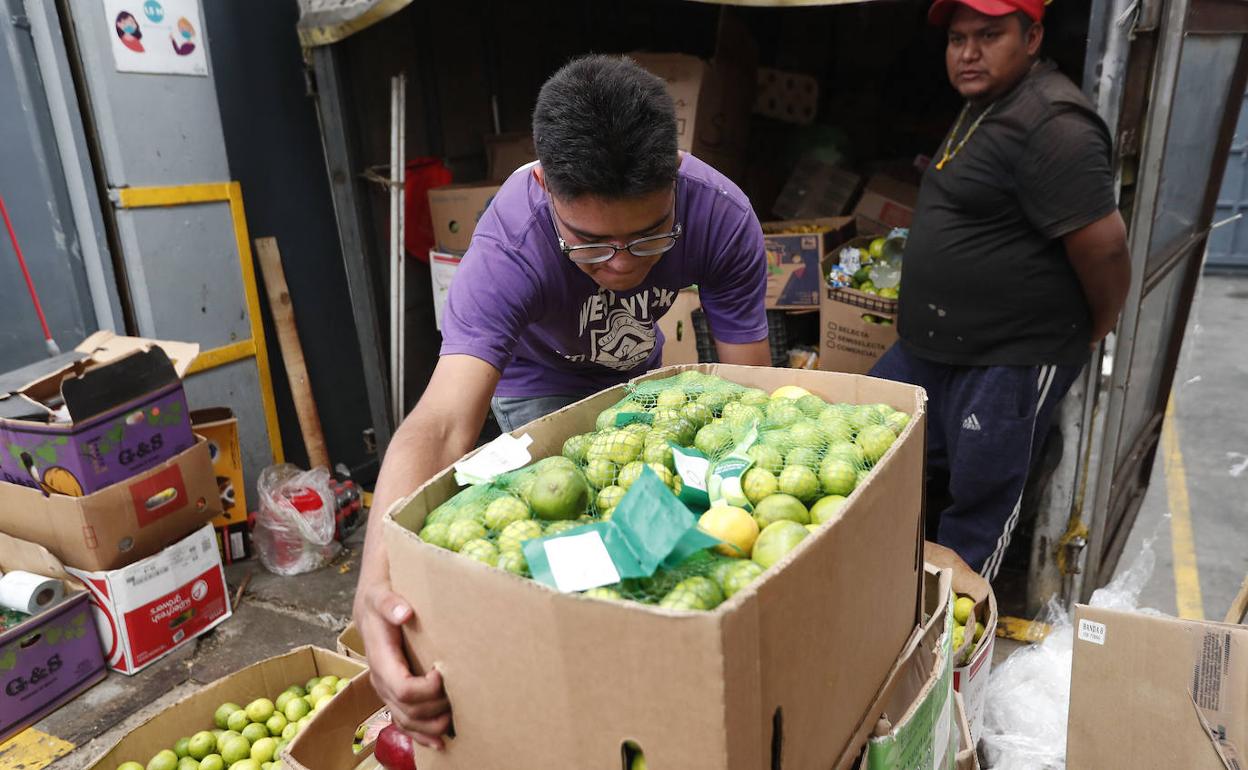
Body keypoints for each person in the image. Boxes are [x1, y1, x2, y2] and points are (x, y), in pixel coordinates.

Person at [353, 55, 771, 748]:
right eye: (591, 245)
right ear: (545, 186)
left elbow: (748, 387)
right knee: (566, 524)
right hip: (536, 382)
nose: (622, 266)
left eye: (648, 237)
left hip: (638, 371)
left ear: (674, 174)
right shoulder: (508, 246)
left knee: (660, 513)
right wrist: (374, 587)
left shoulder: (720, 217)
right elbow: (443, 423)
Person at [870, 0, 1131, 579]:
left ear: (1032, 36)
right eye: (958, 38)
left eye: (989, 35)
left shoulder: (1055, 123)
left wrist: (1094, 331)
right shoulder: (987, 104)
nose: (968, 52)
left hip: (1006, 357)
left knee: (980, 506)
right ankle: (885, 598)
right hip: (934, 350)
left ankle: (956, 647)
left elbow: (1107, 249)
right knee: (863, 439)